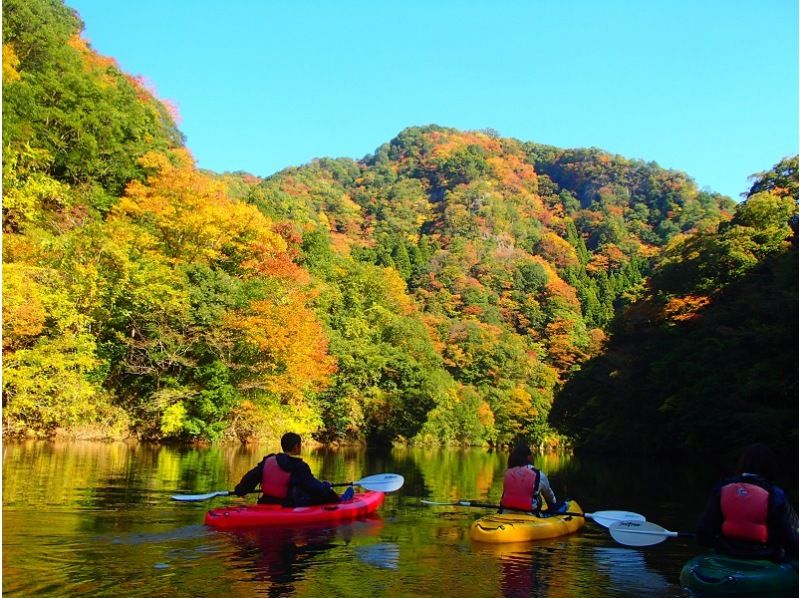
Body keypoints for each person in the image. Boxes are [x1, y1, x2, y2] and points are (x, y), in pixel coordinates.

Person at [695, 443, 798, 561]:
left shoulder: (722, 488)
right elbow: (789, 536)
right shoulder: (776, 494)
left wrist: (707, 542)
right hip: (762, 554)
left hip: (726, 551)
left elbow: (704, 531)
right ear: (770, 466)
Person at [234, 432, 355, 506]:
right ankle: (340, 501)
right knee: (324, 492)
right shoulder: (298, 466)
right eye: (300, 445)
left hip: (266, 502)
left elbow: (251, 477)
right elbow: (314, 488)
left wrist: (240, 490)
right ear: (296, 447)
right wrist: (326, 486)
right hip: (287, 505)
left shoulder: (268, 460)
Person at [500, 443, 566, 514]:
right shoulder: (538, 475)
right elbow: (551, 499)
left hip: (506, 513)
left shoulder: (508, 473)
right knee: (564, 505)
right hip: (530, 515)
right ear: (529, 457)